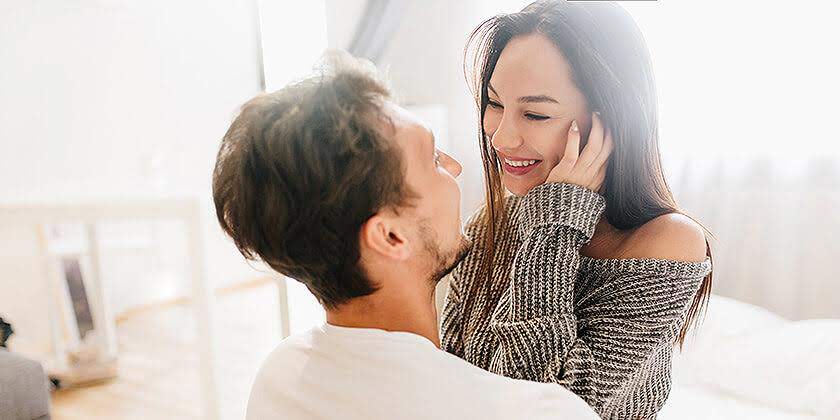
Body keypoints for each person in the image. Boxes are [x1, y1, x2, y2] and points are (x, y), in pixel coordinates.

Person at [212, 53, 598, 420]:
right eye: (433, 160)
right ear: (390, 236)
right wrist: (556, 228)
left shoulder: (278, 378)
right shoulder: (532, 411)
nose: (455, 167)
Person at [441, 1, 714, 419]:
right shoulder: (491, 223)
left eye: (536, 114)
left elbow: (545, 409)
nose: (500, 138)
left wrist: (554, 227)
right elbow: (449, 388)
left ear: (611, 122)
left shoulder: (669, 242)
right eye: (494, 104)